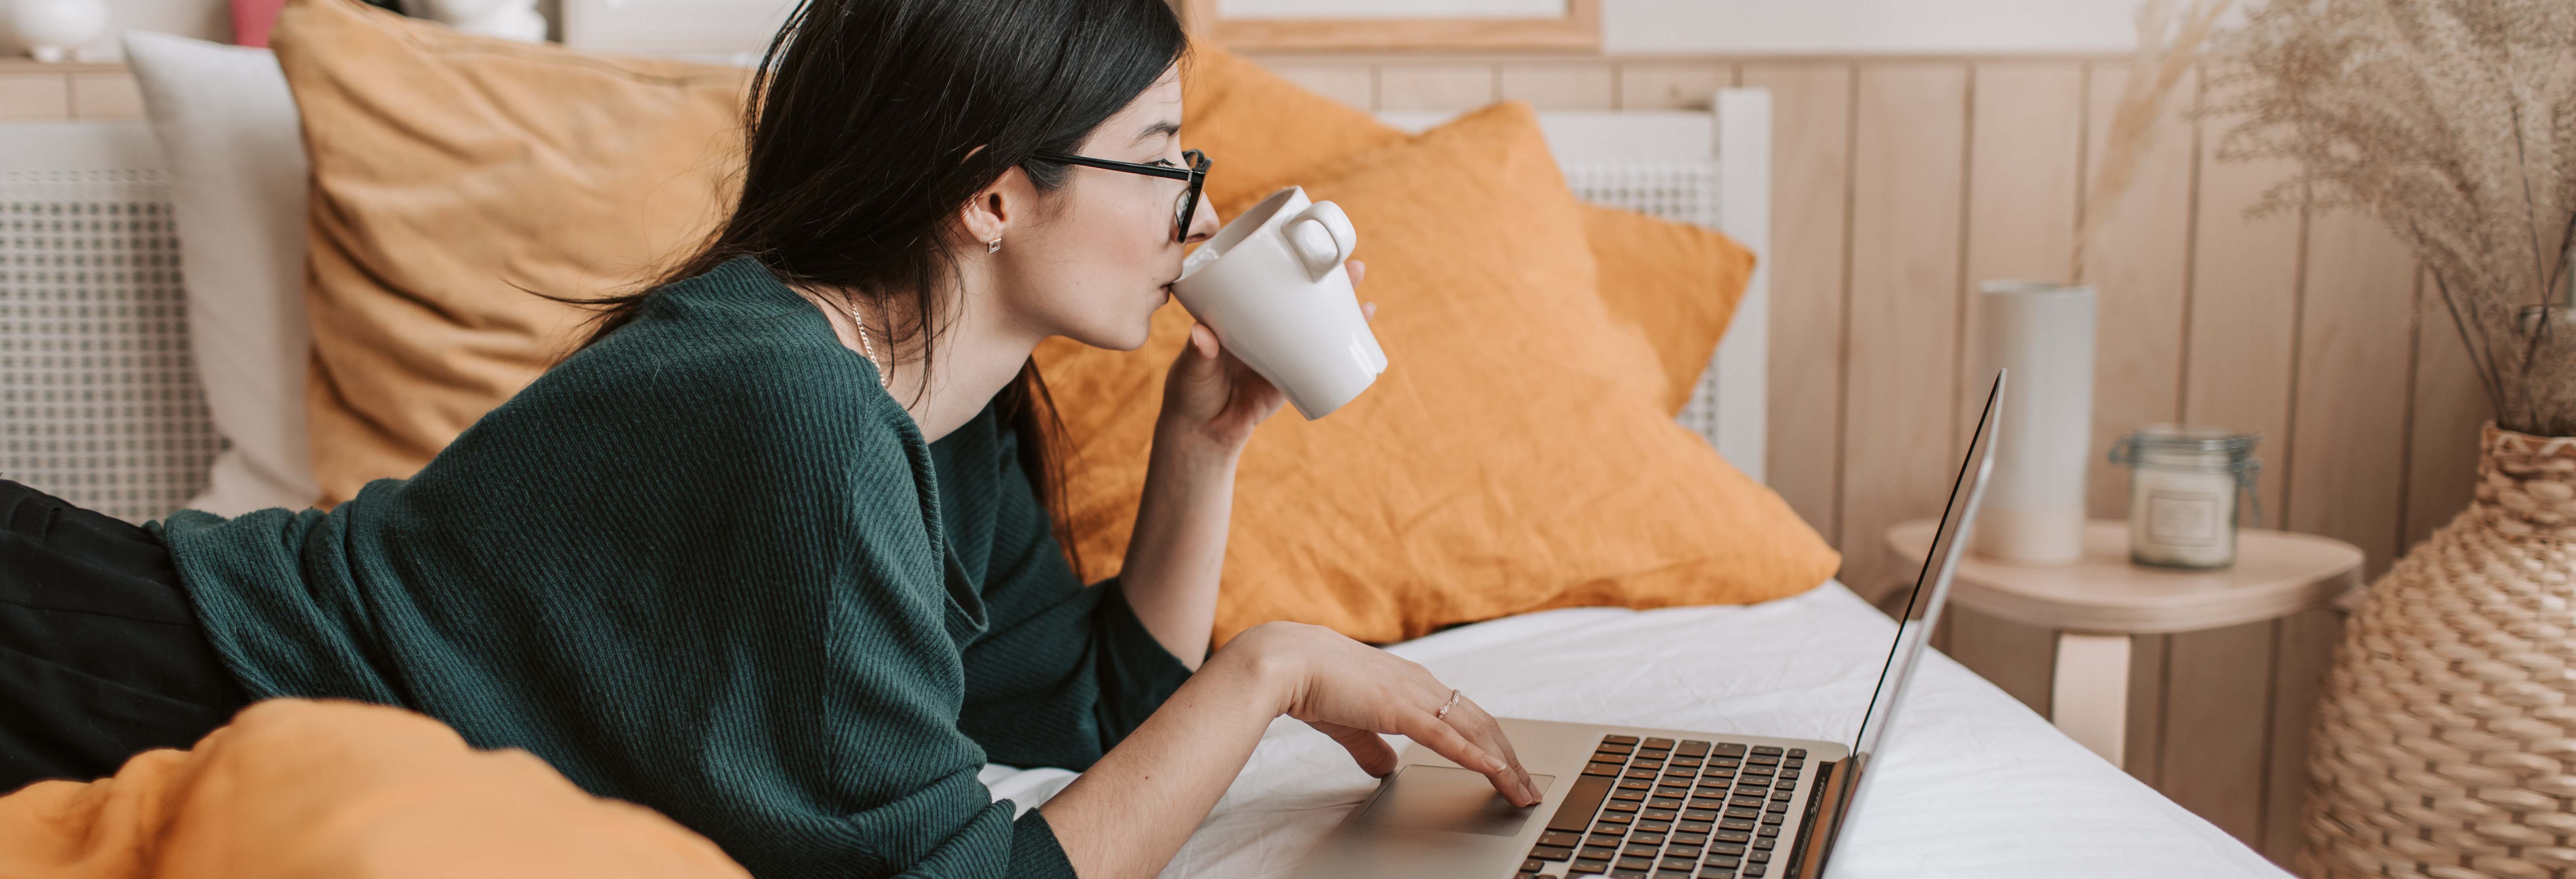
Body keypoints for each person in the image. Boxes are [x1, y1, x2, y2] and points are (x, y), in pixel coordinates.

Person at [0, 0, 1543, 876]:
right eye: (1154, 157)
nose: (1196, 207)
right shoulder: (792, 412)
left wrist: (1202, 447)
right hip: (122, 675)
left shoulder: (948, 402)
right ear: (993, 191)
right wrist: (1266, 668)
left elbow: (1069, 720)